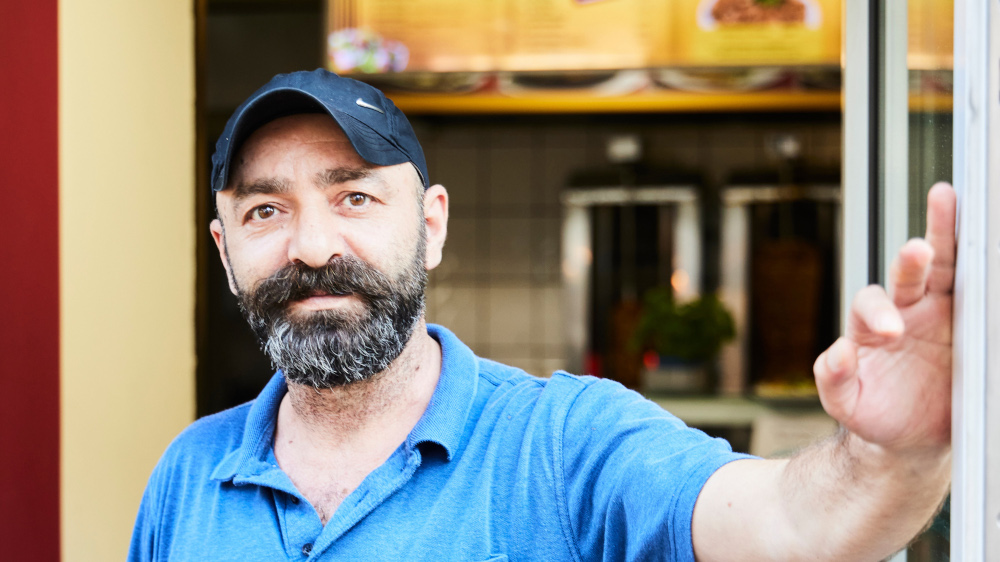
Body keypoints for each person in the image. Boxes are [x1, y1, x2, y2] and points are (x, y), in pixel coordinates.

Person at [129, 69, 955, 561]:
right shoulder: (186, 476)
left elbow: (792, 527)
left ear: (432, 225)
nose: (312, 246)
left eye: (354, 197)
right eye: (265, 212)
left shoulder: (566, 445)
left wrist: (895, 457)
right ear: (224, 246)